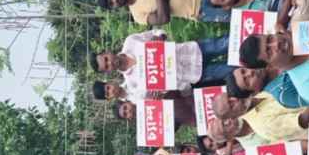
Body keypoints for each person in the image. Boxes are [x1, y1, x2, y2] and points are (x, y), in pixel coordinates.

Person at [97, 28, 231, 93]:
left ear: (107, 52)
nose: (110, 63)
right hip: (195, 74)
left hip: (193, 50)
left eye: (106, 59)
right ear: (108, 72)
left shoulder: (130, 41)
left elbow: (157, 32)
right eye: (107, 66)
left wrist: (160, 37)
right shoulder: (133, 83)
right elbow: (163, 90)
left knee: (228, 43)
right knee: (233, 71)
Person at [210, 90, 309, 147]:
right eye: (231, 105)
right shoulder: (263, 126)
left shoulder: (257, 94)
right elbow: (305, 120)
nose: (235, 99)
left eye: (230, 96)